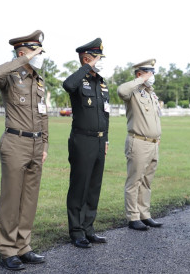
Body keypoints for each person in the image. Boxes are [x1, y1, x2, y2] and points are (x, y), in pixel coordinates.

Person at [0, 30, 48, 270]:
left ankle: (24, 246)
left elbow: (43, 115)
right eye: (36, 51)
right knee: (11, 200)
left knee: (29, 200)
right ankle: (7, 250)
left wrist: (44, 144)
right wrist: (24, 59)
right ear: (22, 53)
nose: (40, 55)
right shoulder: (11, 77)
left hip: (36, 145)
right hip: (15, 143)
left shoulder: (39, 81)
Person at [63, 38, 109, 248]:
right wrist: (86, 66)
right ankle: (76, 231)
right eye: (97, 58)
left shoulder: (100, 81)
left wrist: (106, 140)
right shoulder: (78, 81)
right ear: (87, 58)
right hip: (82, 140)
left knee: (93, 187)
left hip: (99, 141)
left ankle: (88, 228)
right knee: (79, 187)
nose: (100, 62)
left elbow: (105, 114)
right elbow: (67, 84)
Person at [117, 59, 163, 231]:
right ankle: (133, 216)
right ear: (140, 74)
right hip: (138, 142)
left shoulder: (150, 93)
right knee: (134, 180)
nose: (153, 76)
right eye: (150, 73)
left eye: (153, 73)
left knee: (146, 181)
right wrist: (140, 80)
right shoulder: (133, 92)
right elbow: (121, 91)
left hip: (152, 143)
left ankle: (144, 214)